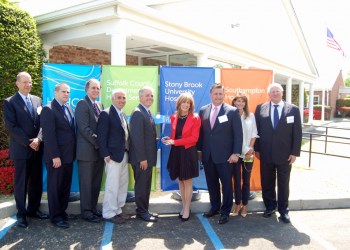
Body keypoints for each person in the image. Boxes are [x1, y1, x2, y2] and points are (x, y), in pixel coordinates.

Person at [3, 72, 49, 228]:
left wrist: (39, 139)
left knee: (36, 181)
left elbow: (43, 123)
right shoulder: (10, 102)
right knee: (21, 183)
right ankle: (21, 214)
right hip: (22, 149)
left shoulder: (37, 100)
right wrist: (29, 142)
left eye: (29, 82)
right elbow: (12, 126)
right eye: (24, 82)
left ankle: (33, 210)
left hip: (37, 148)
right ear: (17, 83)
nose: (28, 85)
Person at [255, 83, 302, 223]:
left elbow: (297, 133)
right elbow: (256, 131)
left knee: (283, 183)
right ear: (268, 94)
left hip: (285, 155)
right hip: (266, 153)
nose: (274, 93)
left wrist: (294, 152)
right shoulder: (260, 108)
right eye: (272, 92)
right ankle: (270, 206)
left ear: (282, 93)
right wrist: (257, 149)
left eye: (277, 91)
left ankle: (283, 210)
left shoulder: (293, 109)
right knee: (267, 182)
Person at [197, 83, 243, 224]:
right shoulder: (203, 110)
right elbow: (202, 134)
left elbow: (238, 135)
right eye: (215, 94)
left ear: (224, 95)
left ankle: (225, 212)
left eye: (220, 94)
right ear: (210, 95)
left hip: (226, 157)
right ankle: (215, 207)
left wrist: (236, 153)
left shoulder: (232, 111)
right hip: (208, 156)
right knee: (212, 184)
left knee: (226, 185)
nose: (218, 96)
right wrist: (199, 151)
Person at [41, 83, 77, 229]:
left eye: (68, 92)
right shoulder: (48, 109)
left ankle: (62, 212)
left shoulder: (68, 108)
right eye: (63, 91)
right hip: (56, 157)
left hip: (68, 156)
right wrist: (55, 156)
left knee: (65, 187)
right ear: (56, 92)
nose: (66, 94)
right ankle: (55, 216)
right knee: (55, 187)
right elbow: (49, 136)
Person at [162, 93, 201, 222]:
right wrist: (169, 139)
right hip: (176, 151)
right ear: (179, 104)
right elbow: (174, 135)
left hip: (188, 151)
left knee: (187, 181)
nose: (185, 104)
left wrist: (175, 142)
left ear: (191, 105)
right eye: (183, 102)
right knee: (180, 180)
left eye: (188, 102)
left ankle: (186, 208)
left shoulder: (195, 118)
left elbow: (194, 139)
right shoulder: (174, 117)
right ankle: (184, 206)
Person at [97, 89, 130, 224]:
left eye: (124, 98)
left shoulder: (122, 114)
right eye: (119, 98)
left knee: (122, 184)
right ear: (112, 99)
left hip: (124, 154)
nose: (122, 100)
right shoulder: (106, 114)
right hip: (112, 157)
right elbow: (101, 136)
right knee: (112, 185)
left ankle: (118, 210)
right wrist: (105, 154)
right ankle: (109, 213)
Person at [75, 79, 104, 223]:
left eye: (98, 88)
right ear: (87, 89)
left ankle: (93, 208)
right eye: (93, 88)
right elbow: (84, 128)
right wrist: (100, 142)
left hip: (98, 152)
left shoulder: (99, 105)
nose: (96, 91)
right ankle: (86, 212)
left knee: (95, 182)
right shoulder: (82, 104)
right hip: (87, 152)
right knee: (86, 183)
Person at [129, 86, 158, 222]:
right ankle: (141, 212)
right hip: (142, 159)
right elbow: (137, 138)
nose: (150, 98)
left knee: (146, 185)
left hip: (147, 158)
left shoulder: (146, 112)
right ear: (140, 97)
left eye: (151, 96)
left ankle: (145, 210)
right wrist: (142, 158)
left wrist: (157, 139)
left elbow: (146, 135)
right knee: (141, 186)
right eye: (147, 95)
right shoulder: (138, 113)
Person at [231, 93, 259, 218]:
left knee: (246, 181)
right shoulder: (231, 115)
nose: (240, 103)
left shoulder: (251, 116)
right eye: (238, 101)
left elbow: (254, 134)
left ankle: (245, 205)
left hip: (248, 154)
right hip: (236, 154)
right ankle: (237, 203)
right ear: (234, 102)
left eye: (242, 101)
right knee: (236, 180)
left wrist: (251, 149)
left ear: (245, 103)